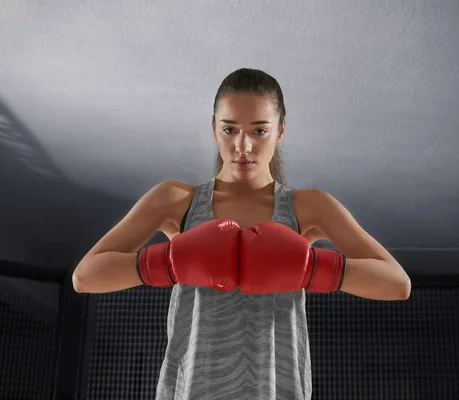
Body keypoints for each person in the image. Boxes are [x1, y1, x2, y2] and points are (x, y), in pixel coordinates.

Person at [72, 68, 411, 399]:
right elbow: (85, 277)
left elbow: (397, 283)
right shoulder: (176, 201)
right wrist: (170, 264)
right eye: (230, 129)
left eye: (259, 131)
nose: (243, 146)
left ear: (280, 131)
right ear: (213, 128)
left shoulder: (310, 207)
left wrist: (311, 268)